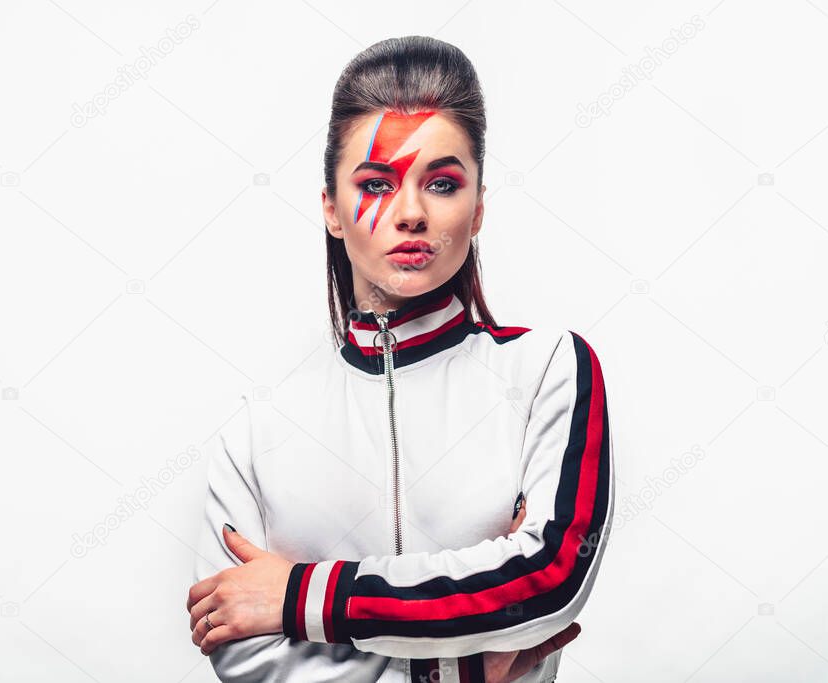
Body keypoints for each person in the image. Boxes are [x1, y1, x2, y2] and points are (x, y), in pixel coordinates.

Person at [186, 35, 615, 683]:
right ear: (331, 208)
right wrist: (464, 665)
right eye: (376, 183)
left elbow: (547, 577)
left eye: (442, 182)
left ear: (477, 209)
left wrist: (299, 597)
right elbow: (241, 651)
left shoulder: (547, 371)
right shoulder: (259, 428)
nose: (411, 212)